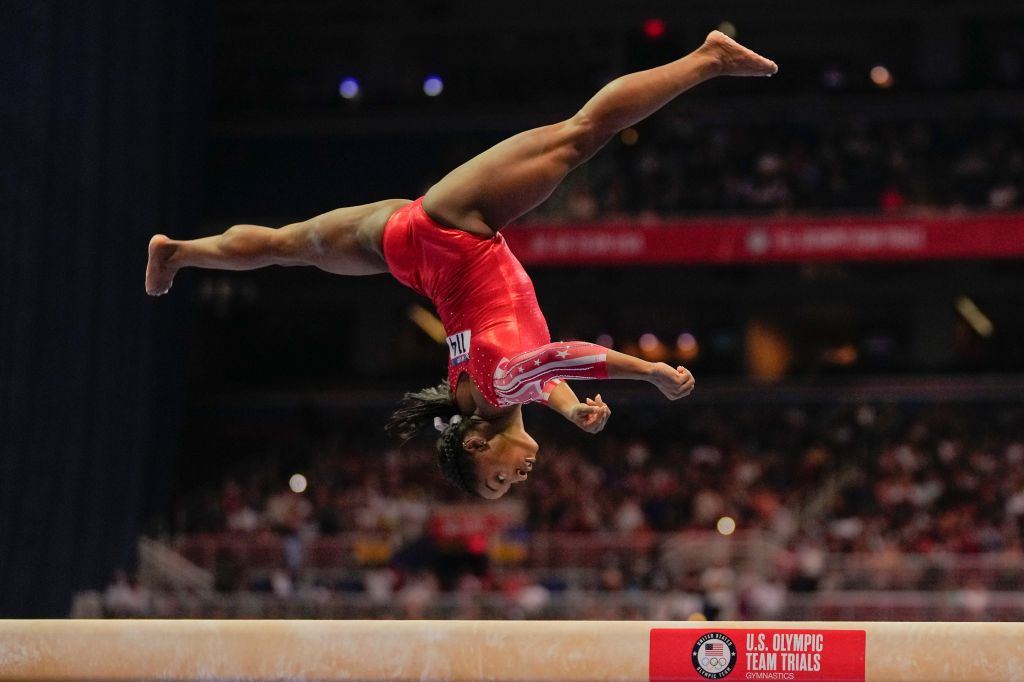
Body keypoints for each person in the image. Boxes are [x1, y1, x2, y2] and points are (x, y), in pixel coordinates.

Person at [145, 31, 777, 499]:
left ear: (476, 442)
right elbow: (536, 375)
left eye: (497, 477)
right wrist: (572, 411)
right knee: (289, 245)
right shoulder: (475, 394)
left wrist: (651, 373)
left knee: (581, 134)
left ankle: (707, 58)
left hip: (457, 224)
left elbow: (559, 358)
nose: (516, 477)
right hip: (402, 250)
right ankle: (180, 252)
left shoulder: (496, 390)